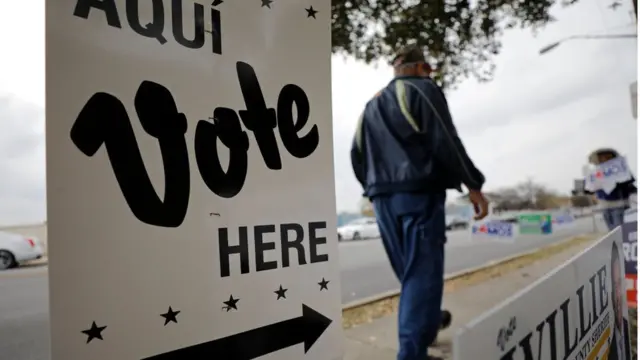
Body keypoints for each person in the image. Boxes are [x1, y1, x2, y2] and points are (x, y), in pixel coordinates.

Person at [350, 45, 489, 360]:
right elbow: (444, 138)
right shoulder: (421, 90)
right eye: (427, 70)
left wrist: (373, 187)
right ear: (418, 67)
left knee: (410, 270)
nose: (429, 76)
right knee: (422, 272)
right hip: (418, 194)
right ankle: (411, 352)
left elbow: (356, 155)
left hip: (382, 198)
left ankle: (427, 322)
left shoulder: (370, 106)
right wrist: (474, 184)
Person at [588, 148, 637, 231]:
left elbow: (630, 179)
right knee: (612, 232)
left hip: (619, 205)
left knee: (620, 231)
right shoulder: (596, 172)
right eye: (601, 157)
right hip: (604, 206)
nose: (603, 159)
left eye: (607, 157)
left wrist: (617, 179)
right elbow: (591, 187)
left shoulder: (620, 168)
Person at [609, 241, 631, 360]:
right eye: (614, 286)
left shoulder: (628, 329)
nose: (618, 294)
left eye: (619, 284)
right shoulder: (608, 350)